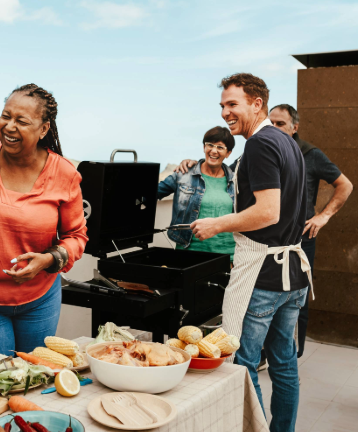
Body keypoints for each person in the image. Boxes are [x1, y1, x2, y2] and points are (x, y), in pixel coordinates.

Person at [190, 73, 311, 432]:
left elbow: (268, 211)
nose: (226, 113)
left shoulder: (258, 145)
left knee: (240, 365)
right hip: (294, 276)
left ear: (257, 104)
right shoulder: (288, 141)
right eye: (223, 105)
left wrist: (217, 224)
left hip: (264, 275)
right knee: (284, 363)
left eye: (233, 104)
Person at [0, 84, 88, 364]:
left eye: (22, 121)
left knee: (34, 382)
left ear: (43, 129)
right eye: (6, 116)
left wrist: (47, 260)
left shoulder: (64, 173)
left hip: (40, 302)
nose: (9, 126)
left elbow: (76, 236)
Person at [269, 104, 353, 357]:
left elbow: (345, 185)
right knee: (265, 298)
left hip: (300, 241)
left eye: (280, 124)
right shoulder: (264, 150)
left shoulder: (310, 154)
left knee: (298, 299)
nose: (274, 128)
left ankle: (293, 356)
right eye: (270, 123)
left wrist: (323, 216)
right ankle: (265, 353)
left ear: (294, 128)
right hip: (266, 239)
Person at [157, 126, 236, 261]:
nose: (214, 150)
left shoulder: (236, 180)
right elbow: (150, 193)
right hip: (189, 253)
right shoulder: (183, 175)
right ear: (204, 147)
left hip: (228, 255)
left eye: (220, 147)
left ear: (228, 153)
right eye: (210, 145)